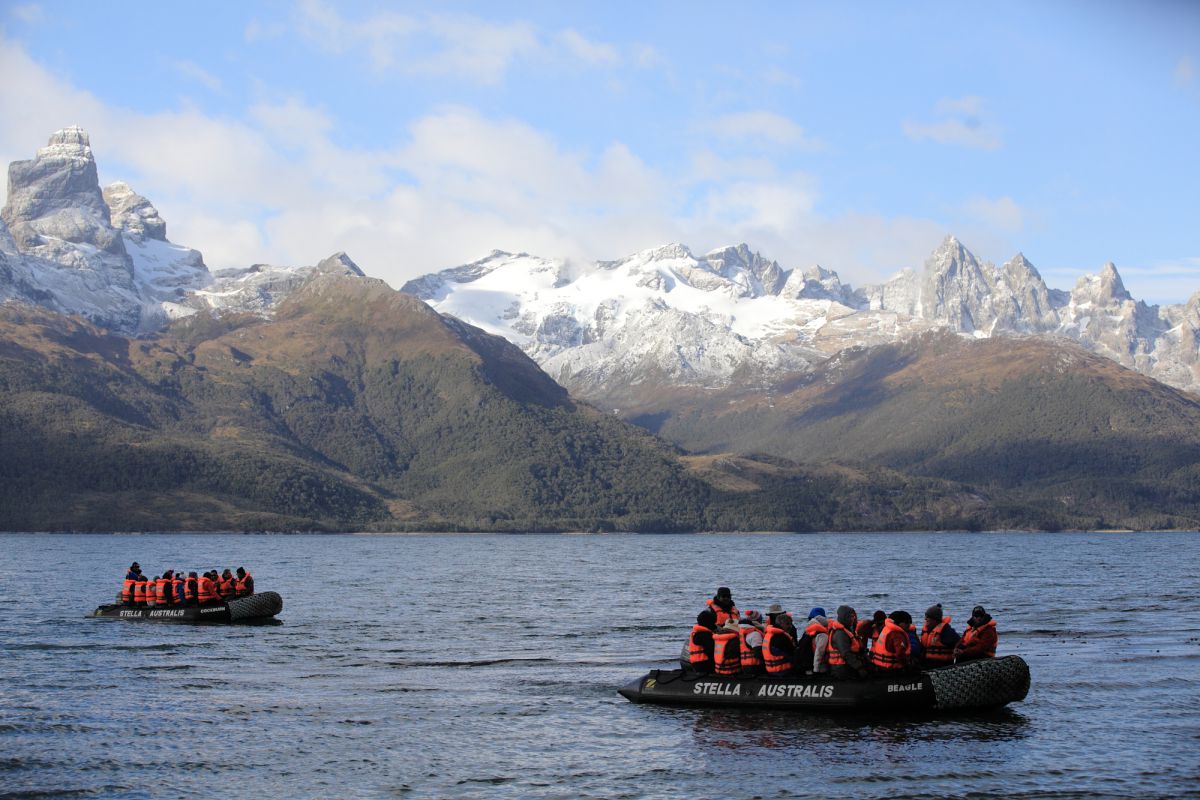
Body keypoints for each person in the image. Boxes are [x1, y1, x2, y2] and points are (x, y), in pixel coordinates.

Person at [827, 605, 869, 680]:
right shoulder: (840, 634)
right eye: (851, 617)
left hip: (846, 665)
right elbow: (846, 654)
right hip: (841, 668)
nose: (853, 619)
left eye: (853, 617)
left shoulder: (847, 630)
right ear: (844, 617)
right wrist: (859, 668)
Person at [762, 604, 797, 676]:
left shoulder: (768, 631)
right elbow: (790, 654)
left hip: (770, 669)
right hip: (783, 671)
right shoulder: (782, 636)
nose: (790, 626)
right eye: (788, 624)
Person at [797, 608, 830, 675]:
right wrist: (816, 671)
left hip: (804, 665)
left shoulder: (807, 631)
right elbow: (819, 653)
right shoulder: (822, 634)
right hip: (817, 667)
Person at [687, 609, 718, 674]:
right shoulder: (705, 635)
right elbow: (711, 652)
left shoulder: (696, 632)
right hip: (704, 664)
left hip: (696, 663)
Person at [737, 610, 765, 676]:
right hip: (754, 665)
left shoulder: (740, 632)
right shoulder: (754, 634)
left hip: (744, 664)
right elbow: (758, 653)